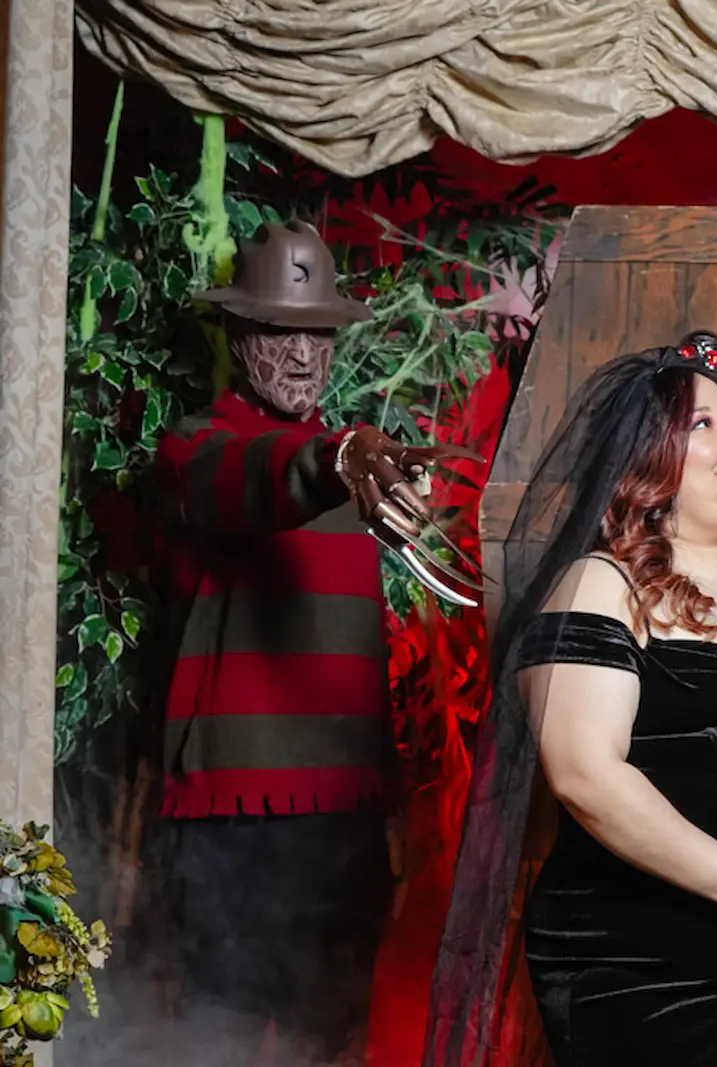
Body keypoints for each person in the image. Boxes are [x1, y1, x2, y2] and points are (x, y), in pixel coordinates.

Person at [424, 332, 717, 1067]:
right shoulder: (602, 585)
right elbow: (583, 775)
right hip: (635, 955)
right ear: (647, 460)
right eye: (703, 425)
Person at [156, 221, 468, 1066]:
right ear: (237, 337)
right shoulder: (198, 450)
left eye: (318, 334)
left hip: (345, 825)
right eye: (279, 331)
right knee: (212, 1039)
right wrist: (332, 458)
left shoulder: (358, 478)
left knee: (332, 1042)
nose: (302, 355)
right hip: (232, 824)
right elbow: (254, 478)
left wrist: (392, 805)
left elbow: (360, 667)